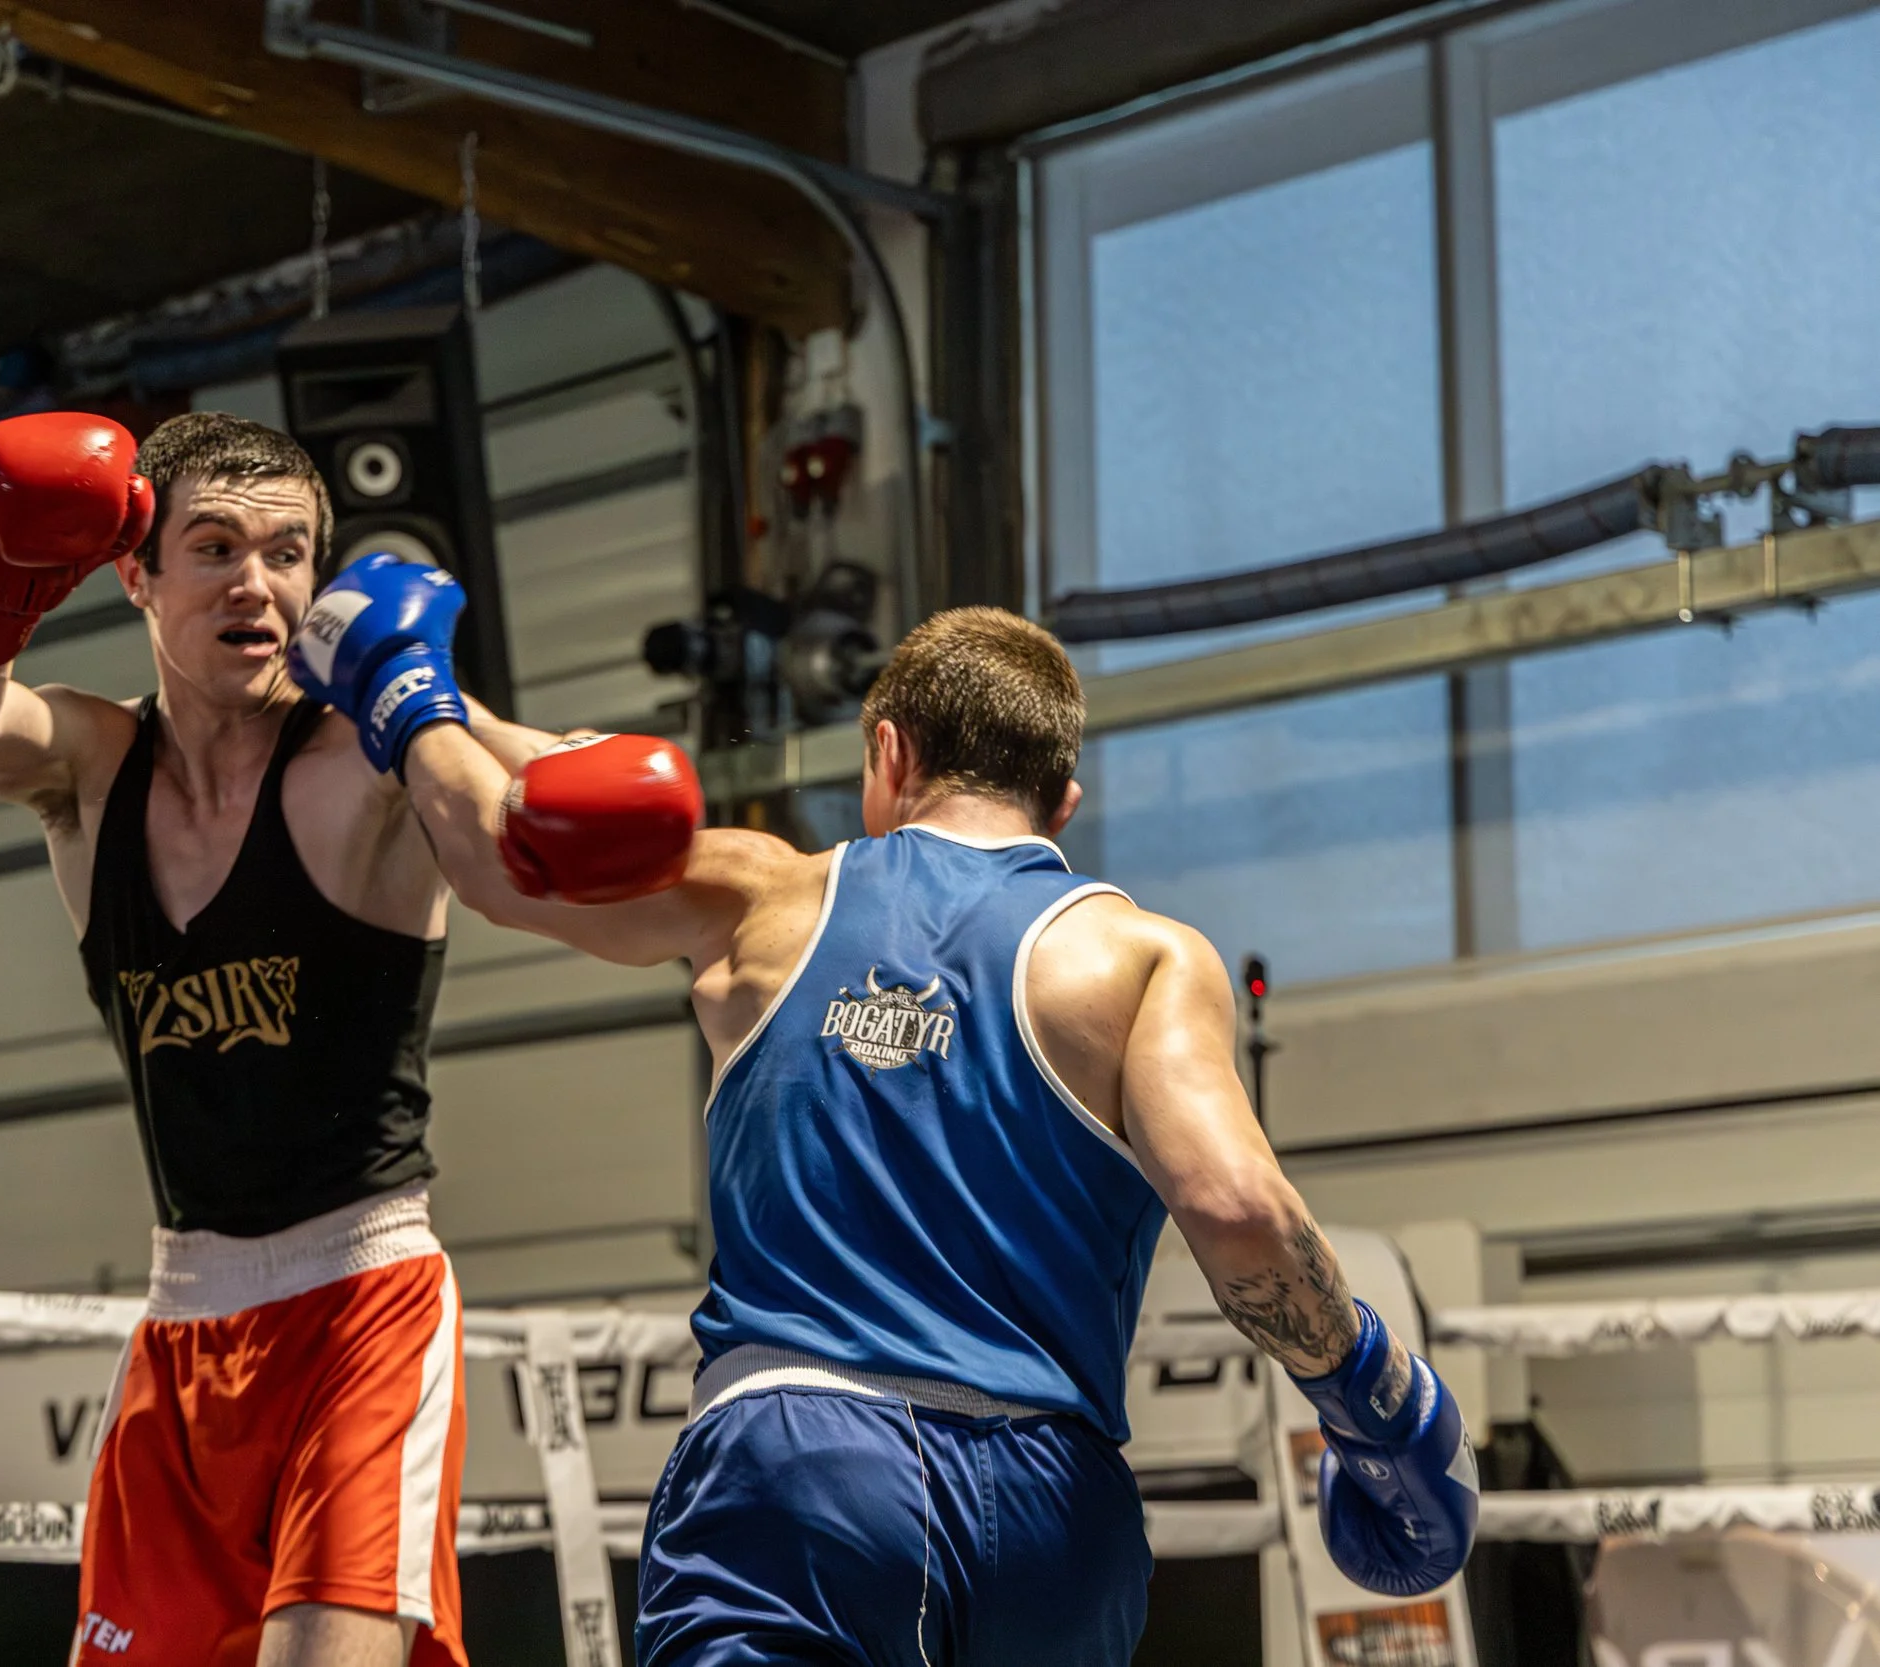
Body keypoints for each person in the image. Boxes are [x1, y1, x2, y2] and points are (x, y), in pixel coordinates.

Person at [289, 570, 1478, 1667]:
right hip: (1050, 1514)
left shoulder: (768, 893)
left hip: (800, 1473)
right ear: (1062, 797)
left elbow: (515, 855)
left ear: (885, 750)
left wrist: (412, 693)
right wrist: (1371, 1401)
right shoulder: (1141, 954)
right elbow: (1234, 1207)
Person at [0, 409, 573, 1667]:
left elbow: (565, 804)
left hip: (359, 1305)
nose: (256, 582)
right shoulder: (99, 766)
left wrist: (424, 691)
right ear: (137, 573)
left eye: (289, 551)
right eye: (214, 546)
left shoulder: (361, 763)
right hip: (182, 1324)